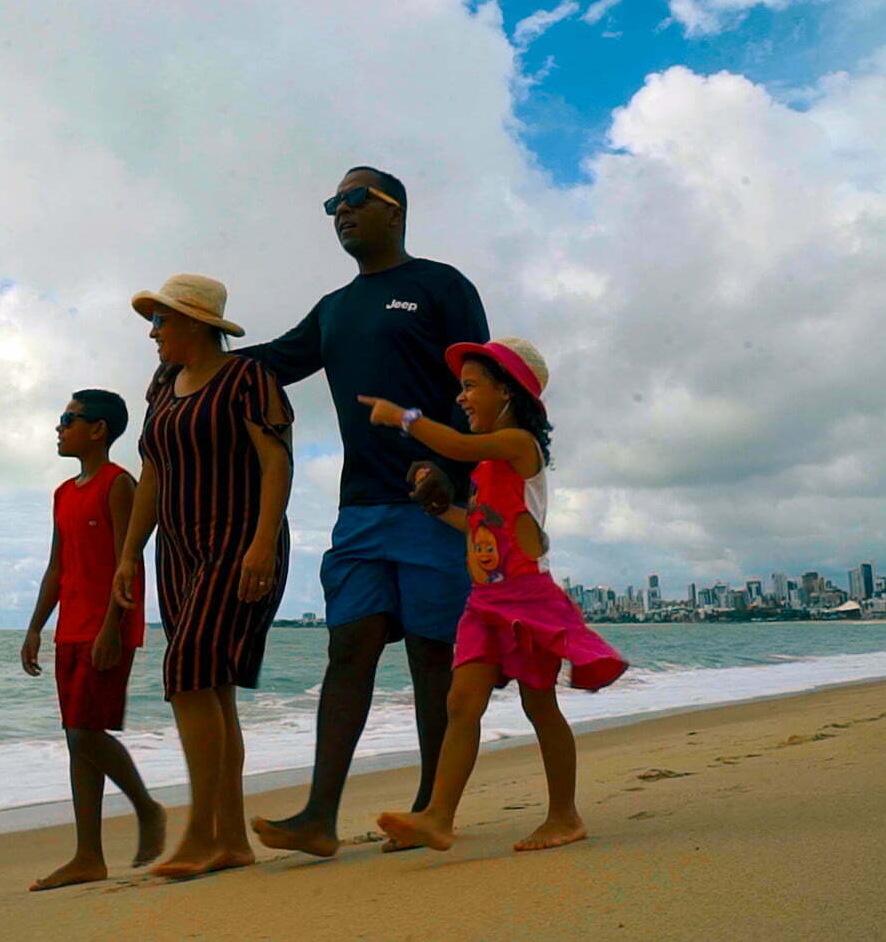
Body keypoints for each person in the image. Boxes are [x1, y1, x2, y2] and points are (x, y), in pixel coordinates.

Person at [241, 167, 489, 858]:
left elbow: (479, 382)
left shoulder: (440, 286)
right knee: (347, 648)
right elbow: (272, 363)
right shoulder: (333, 309)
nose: (340, 213)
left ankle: (430, 808)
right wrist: (201, 360)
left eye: (354, 200)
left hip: (437, 506)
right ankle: (319, 817)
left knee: (431, 655)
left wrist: (455, 469)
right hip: (360, 511)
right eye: (332, 205)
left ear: (394, 209)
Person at [358, 337, 627, 853]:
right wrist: (440, 510)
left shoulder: (518, 445)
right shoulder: (485, 471)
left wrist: (405, 417)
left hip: (527, 600)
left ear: (507, 391)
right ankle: (438, 816)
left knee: (539, 704)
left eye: (471, 386)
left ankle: (565, 815)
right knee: (461, 703)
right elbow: (480, 526)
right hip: (483, 603)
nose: (461, 398)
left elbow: (456, 447)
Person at [112, 274, 294, 879]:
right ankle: (231, 842)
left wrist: (264, 544)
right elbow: (153, 472)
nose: (153, 332)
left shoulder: (248, 378)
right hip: (179, 548)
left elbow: (276, 460)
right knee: (211, 686)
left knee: (187, 671)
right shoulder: (163, 386)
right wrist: (129, 554)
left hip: (240, 540)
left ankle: (197, 834)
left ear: (195, 323)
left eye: (161, 321)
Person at [19, 389, 165, 890]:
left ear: (98, 429)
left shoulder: (118, 484)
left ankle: (148, 809)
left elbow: (131, 559)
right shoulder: (63, 492)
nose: (59, 428)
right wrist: (36, 626)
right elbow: (57, 567)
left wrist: (112, 628)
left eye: (68, 419)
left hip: (107, 629)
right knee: (76, 741)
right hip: (69, 631)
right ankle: (88, 855)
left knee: (86, 733)